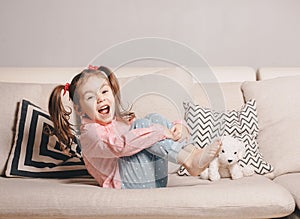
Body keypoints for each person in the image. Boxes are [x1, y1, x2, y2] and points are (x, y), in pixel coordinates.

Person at [48, 65, 221, 189]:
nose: (100, 98)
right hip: (127, 183)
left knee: (152, 118)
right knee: (143, 127)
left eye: (104, 91)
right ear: (79, 108)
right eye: (90, 97)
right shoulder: (89, 133)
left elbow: (145, 135)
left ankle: (191, 154)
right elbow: (120, 146)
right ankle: (189, 160)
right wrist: (160, 132)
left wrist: (178, 126)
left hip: (155, 179)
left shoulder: (116, 123)